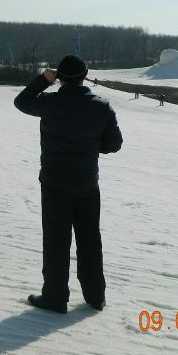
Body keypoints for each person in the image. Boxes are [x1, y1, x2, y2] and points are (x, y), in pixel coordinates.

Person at [14, 55, 122, 313]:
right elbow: (114, 144)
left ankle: (55, 296)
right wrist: (91, 146)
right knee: (90, 239)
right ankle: (95, 296)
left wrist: (43, 80)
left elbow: (21, 101)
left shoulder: (50, 103)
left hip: (54, 183)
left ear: (60, 78)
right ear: (85, 75)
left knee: (56, 239)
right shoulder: (101, 106)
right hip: (87, 183)